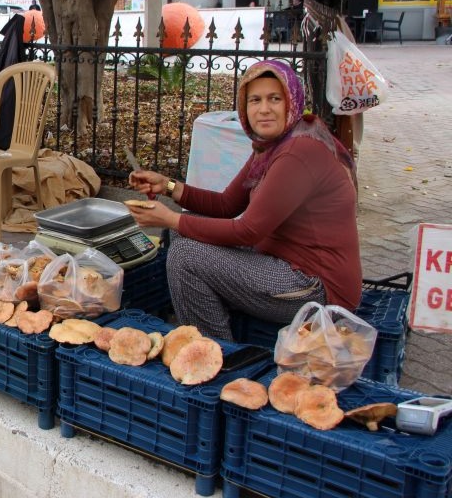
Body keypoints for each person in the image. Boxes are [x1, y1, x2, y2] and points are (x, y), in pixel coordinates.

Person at [126, 59, 360, 341]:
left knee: (185, 255)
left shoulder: (298, 152)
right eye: (255, 100)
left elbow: (248, 230)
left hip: (315, 289)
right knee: (183, 232)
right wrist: (167, 186)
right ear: (244, 107)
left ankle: (215, 351)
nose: (264, 109)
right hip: (279, 258)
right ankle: (215, 314)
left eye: (275, 98)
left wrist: (169, 217)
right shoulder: (272, 146)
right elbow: (227, 204)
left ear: (292, 102)